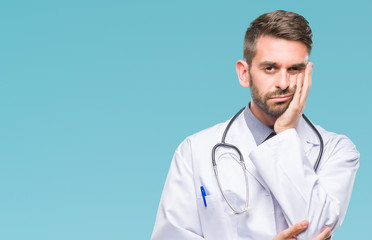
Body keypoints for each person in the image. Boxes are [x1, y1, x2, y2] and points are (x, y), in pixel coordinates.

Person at [151, 10, 359, 240]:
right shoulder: (194, 151)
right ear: (244, 73)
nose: (283, 83)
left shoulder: (337, 150)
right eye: (270, 68)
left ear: (308, 73)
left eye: (294, 69)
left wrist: (286, 132)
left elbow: (317, 232)